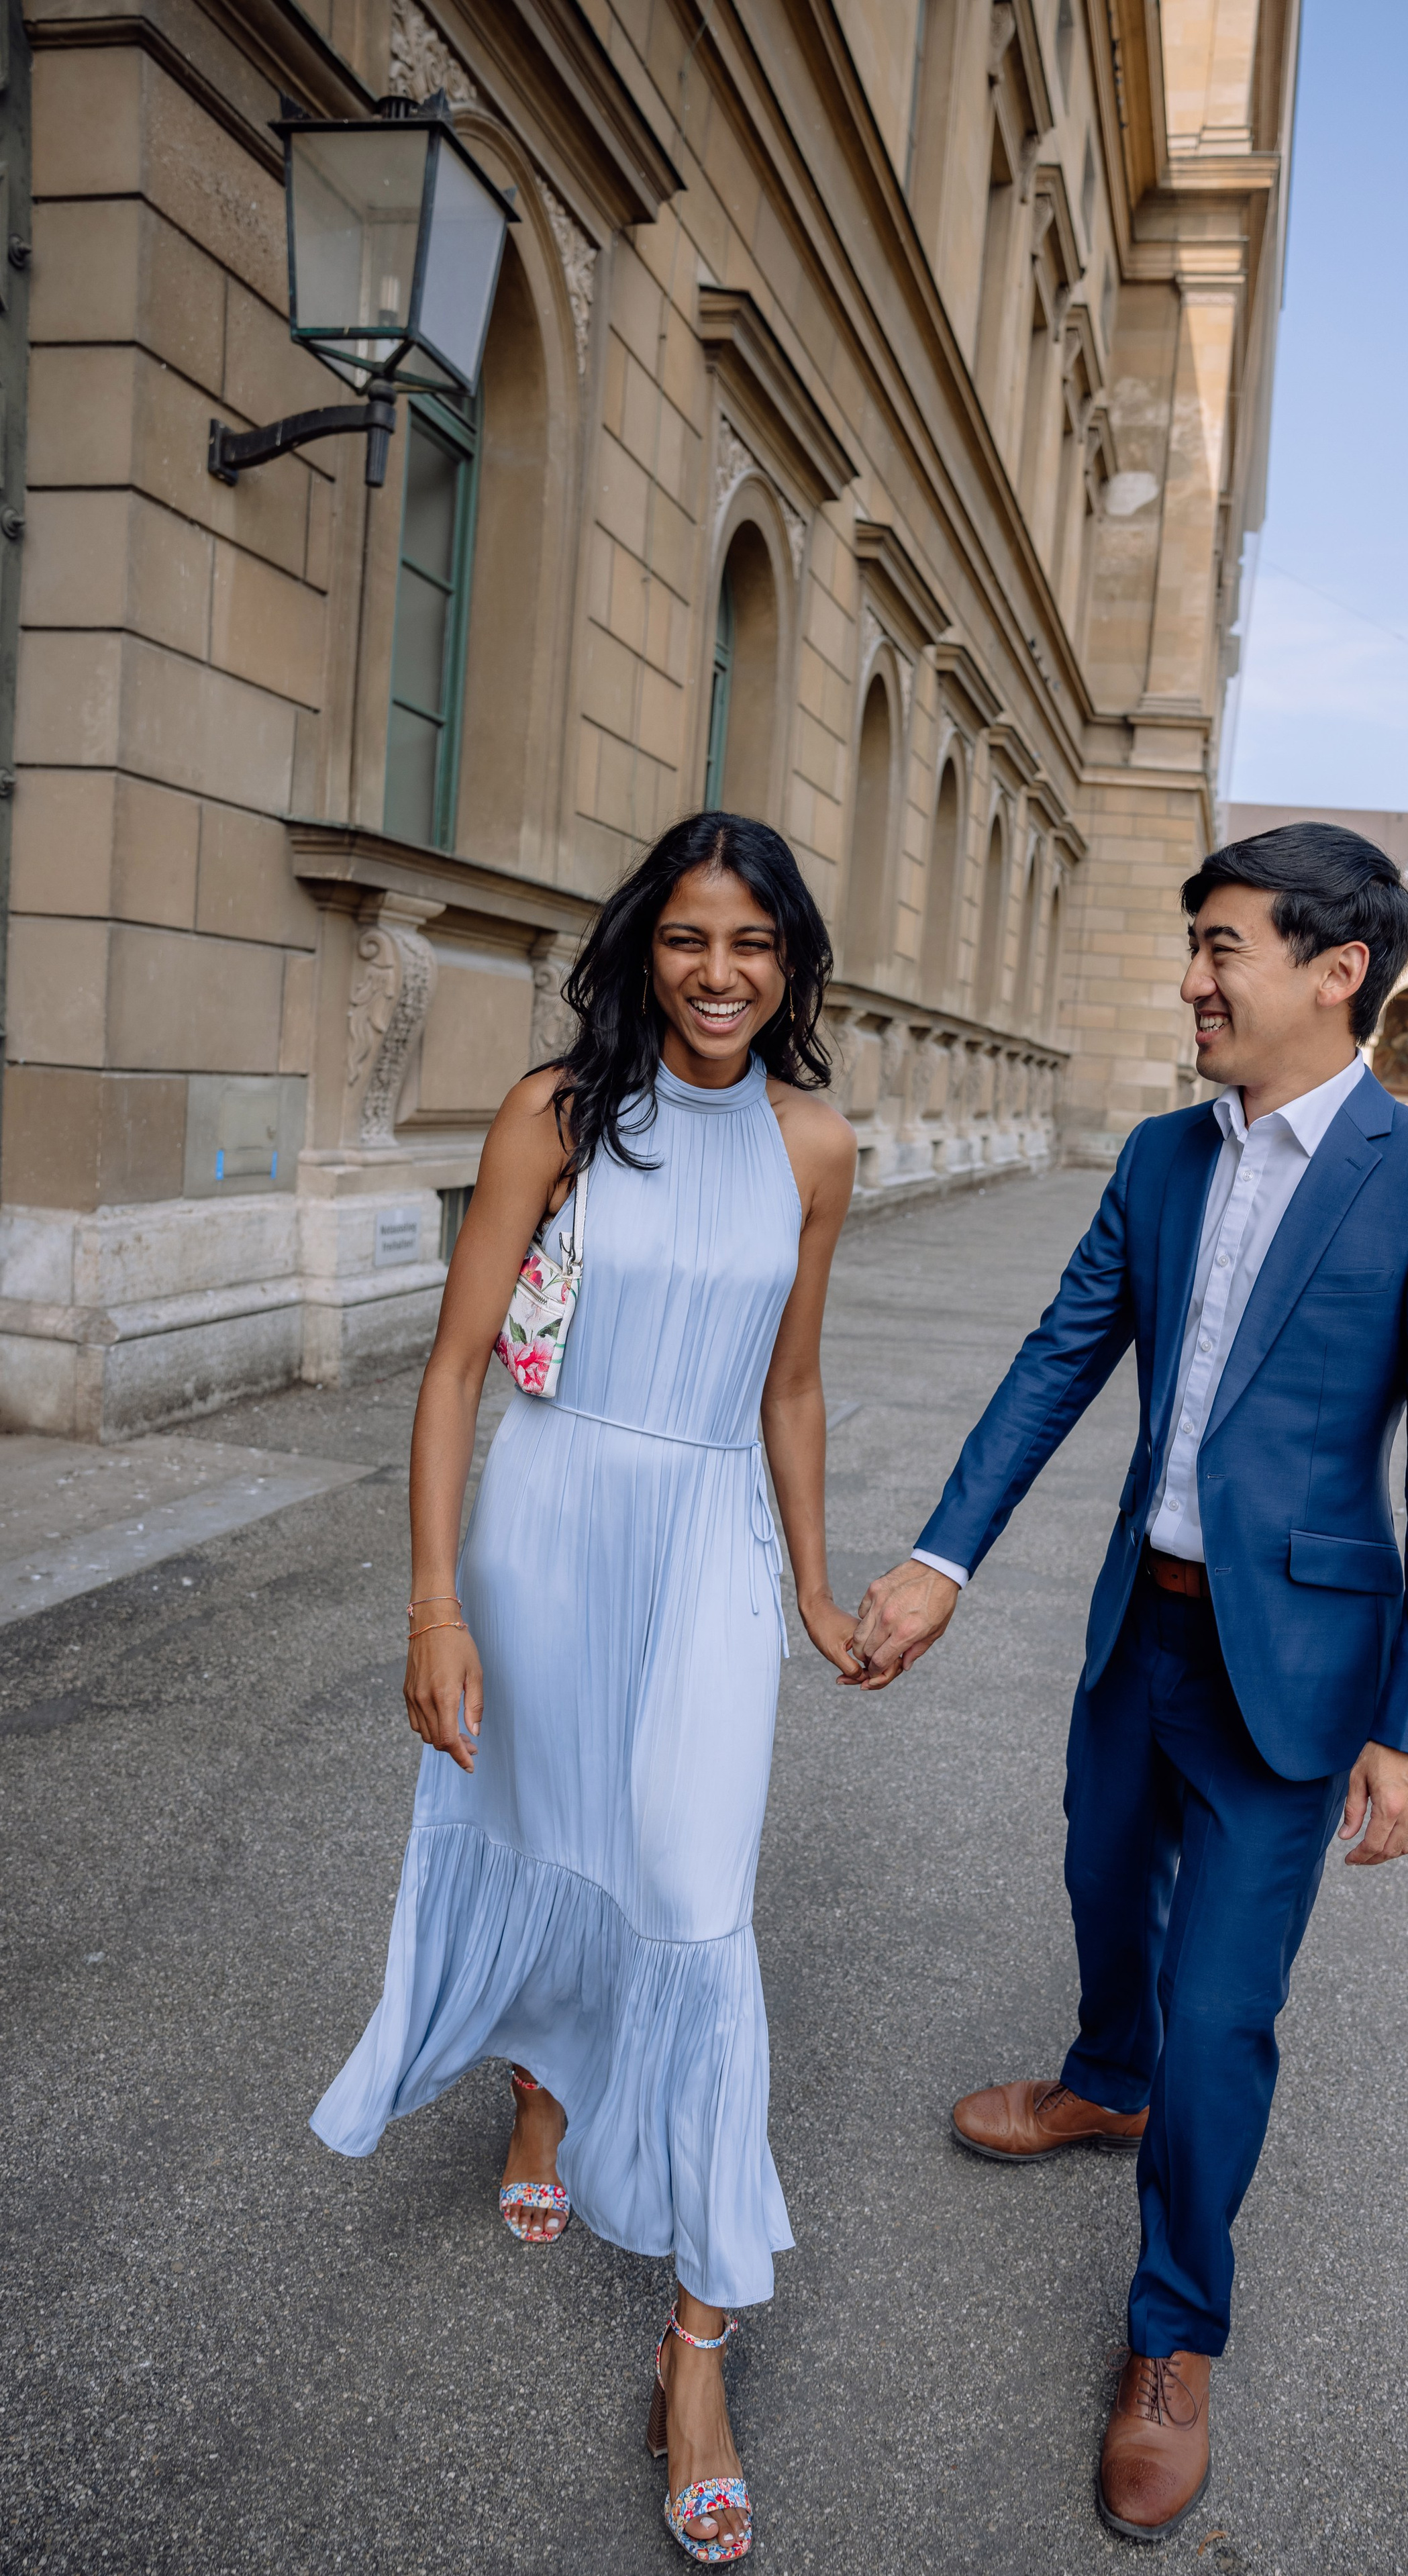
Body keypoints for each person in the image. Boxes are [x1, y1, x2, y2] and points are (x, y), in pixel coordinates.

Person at [849, 822, 1408, 2540]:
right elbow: (1057, 1356)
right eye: (1195, 945)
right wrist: (939, 1560)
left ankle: (1172, 2332)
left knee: (1226, 2007)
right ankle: (1100, 2073)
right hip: (1132, 1633)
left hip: (1291, 1677)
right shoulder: (1156, 1157)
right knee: (1094, 1883)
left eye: (1221, 945)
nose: (1193, 978)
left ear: (1332, 969)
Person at [312, 812, 859, 2567]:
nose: (719, 972)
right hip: (542, 1531)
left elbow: (789, 1390)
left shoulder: (814, 1141)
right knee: (544, 1824)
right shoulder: (559, 1111)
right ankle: (542, 2083)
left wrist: (821, 1580)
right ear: (646, 944)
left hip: (707, 1547)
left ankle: (697, 2350)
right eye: (691, 936)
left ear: (792, 965)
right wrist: (430, 1599)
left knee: (696, 1908)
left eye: (754, 944)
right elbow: (460, 1359)